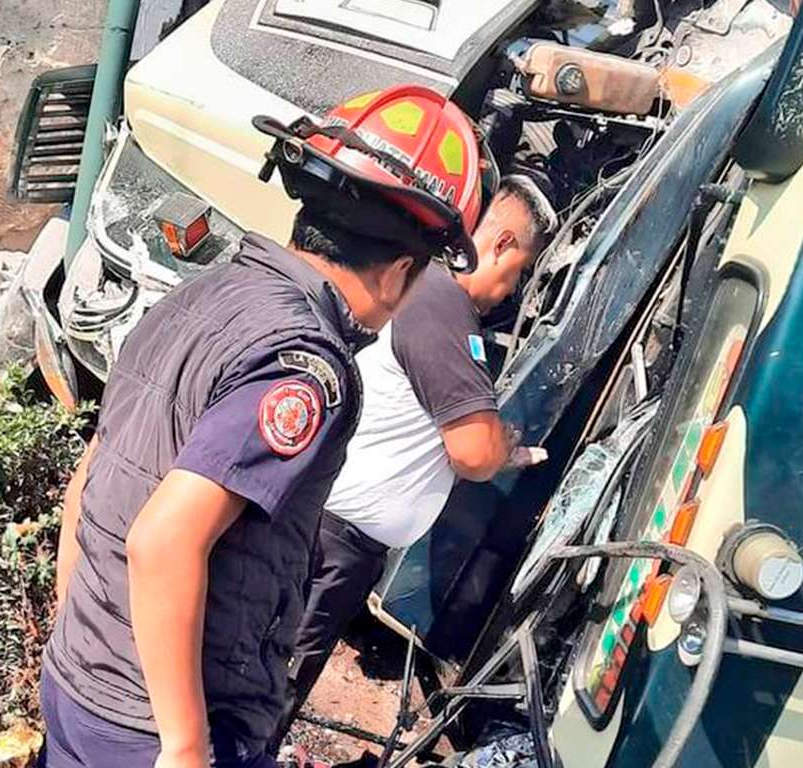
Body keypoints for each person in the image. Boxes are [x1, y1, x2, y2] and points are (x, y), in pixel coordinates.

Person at [41, 86, 493, 768]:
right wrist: (185, 745)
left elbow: (93, 475)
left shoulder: (198, 296)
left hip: (81, 682)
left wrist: (72, 637)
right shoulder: (305, 364)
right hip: (158, 723)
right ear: (401, 271)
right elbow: (164, 540)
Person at [272, 173, 558, 750]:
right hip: (331, 544)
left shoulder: (421, 291)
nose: (512, 291)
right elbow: (473, 452)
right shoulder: (443, 306)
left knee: (270, 678)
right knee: (271, 690)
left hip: (328, 535)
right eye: (519, 270)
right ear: (500, 243)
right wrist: (504, 448)